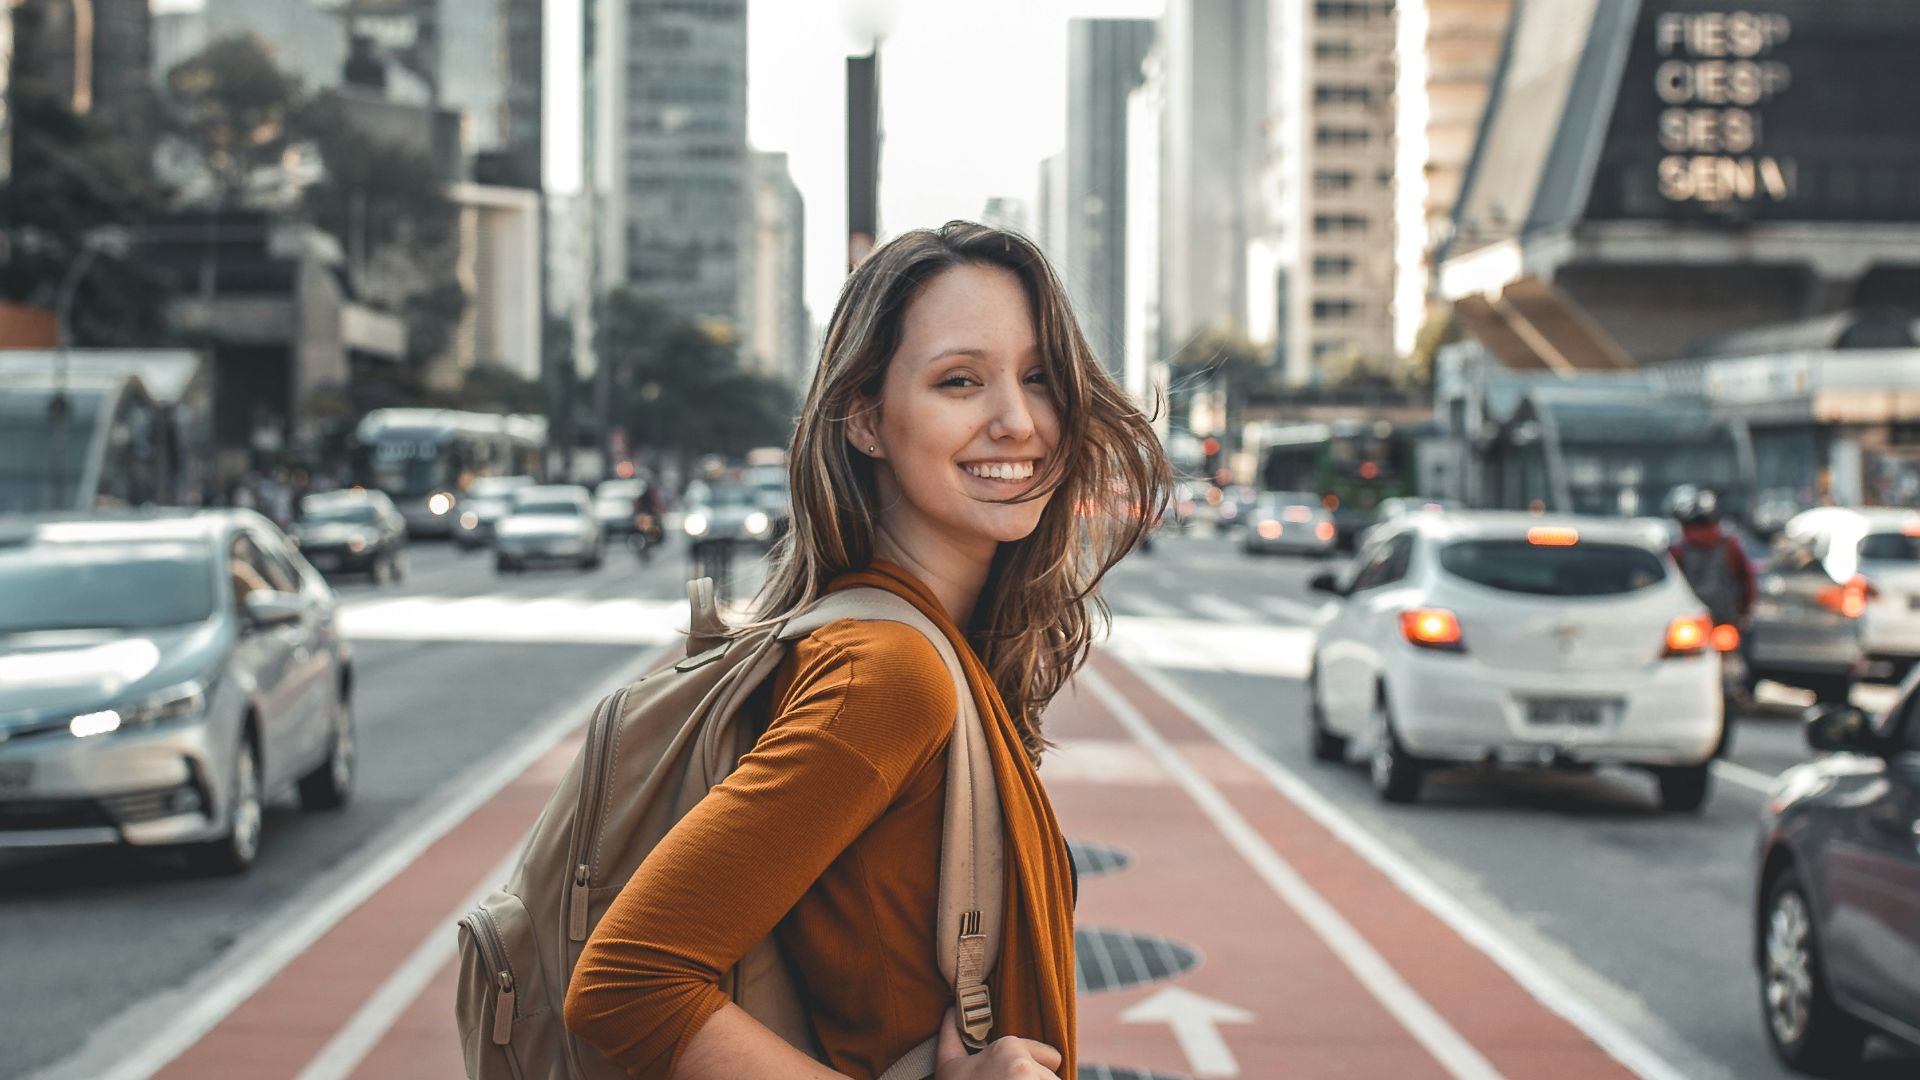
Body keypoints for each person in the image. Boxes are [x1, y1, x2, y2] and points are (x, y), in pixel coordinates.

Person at [563, 222, 1170, 1079]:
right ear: (865, 419)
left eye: (1039, 377)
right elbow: (628, 982)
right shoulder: (889, 674)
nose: (1018, 419)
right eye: (960, 381)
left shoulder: (921, 646)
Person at [1668, 487, 1756, 630]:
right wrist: (1744, 611)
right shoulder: (1730, 546)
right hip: (1727, 619)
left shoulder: (1678, 550)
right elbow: (1748, 579)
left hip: (1688, 622)